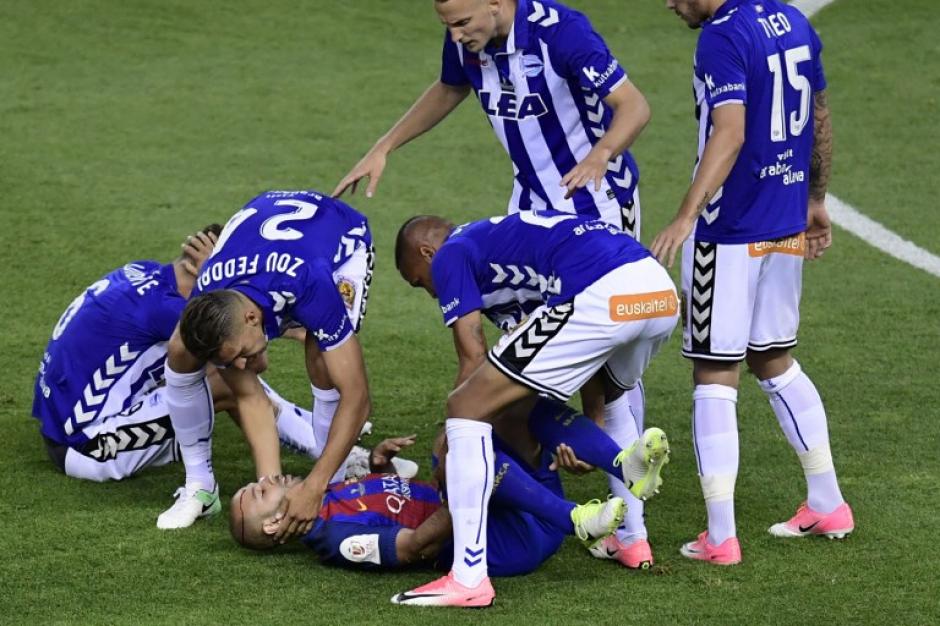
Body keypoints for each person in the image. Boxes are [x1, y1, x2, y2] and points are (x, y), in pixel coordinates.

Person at [336, 0, 656, 559]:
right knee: (526, 362)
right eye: (447, 26)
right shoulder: (469, 39)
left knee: (606, 373)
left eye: (462, 23)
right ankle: (569, 475)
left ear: (496, 4)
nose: (456, 36)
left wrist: (602, 154)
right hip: (532, 210)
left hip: (596, 208)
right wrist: (385, 144)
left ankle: (631, 531)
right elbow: (448, 86)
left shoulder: (561, 32)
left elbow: (633, 106)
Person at [650, 0, 853, 566]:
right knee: (773, 358)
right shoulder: (793, 20)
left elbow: (731, 132)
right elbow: (818, 112)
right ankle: (828, 501)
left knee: (715, 371)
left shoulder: (720, 36)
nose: (667, 4)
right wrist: (814, 197)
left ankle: (720, 537)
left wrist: (689, 213)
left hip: (730, 226)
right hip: (784, 218)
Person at [392, 210, 677, 606]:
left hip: (603, 290)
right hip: (657, 292)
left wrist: (447, 441)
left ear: (426, 253)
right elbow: (578, 359)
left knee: (464, 406)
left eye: (419, 281)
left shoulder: (452, 253)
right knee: (523, 400)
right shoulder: (507, 261)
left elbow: (472, 358)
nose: (431, 292)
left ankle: (468, 577)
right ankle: (629, 501)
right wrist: (593, 421)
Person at [31, 225, 336, 485]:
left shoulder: (147, 272)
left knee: (216, 369)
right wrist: (222, 288)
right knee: (230, 379)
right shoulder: (170, 312)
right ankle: (329, 451)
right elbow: (254, 362)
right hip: (86, 445)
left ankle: (320, 435)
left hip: (63, 421)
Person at [157, 190, 376, 534]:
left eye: (242, 355)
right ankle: (200, 484)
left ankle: (333, 490)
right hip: (266, 242)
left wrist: (314, 487)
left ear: (251, 317)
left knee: (324, 364)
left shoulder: (311, 284)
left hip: (337, 238)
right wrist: (270, 486)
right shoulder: (213, 300)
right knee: (180, 348)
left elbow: (358, 398)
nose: (244, 367)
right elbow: (251, 398)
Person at [231, 416, 627, 583]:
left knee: (501, 407)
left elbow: (389, 508)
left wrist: (379, 467)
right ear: (273, 523)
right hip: (512, 541)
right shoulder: (334, 538)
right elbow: (414, 547)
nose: (268, 479)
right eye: (260, 492)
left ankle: (624, 463)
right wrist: (466, 488)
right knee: (461, 448)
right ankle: (575, 518)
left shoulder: (323, 497)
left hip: (516, 504)